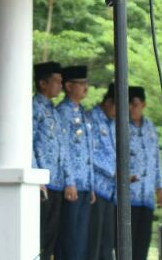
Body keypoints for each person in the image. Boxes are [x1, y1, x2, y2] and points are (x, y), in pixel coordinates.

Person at [57, 65, 94, 260]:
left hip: (85, 184)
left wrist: (92, 184)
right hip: (71, 186)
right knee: (70, 239)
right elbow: (64, 149)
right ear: (69, 86)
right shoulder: (63, 112)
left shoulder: (83, 113)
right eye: (81, 84)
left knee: (81, 239)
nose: (86, 88)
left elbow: (87, 151)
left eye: (86, 83)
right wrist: (70, 180)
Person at [33, 61, 66, 258]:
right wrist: (37, 177)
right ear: (43, 83)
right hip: (42, 182)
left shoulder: (54, 110)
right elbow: (28, 142)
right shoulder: (34, 107)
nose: (60, 85)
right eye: (56, 81)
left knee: (51, 238)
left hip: (57, 182)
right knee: (39, 234)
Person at [128, 86, 162, 260]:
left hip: (147, 195)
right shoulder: (121, 126)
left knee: (143, 243)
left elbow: (156, 157)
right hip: (129, 196)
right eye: (129, 104)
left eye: (135, 104)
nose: (131, 108)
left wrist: (160, 187)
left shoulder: (150, 126)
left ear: (143, 104)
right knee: (128, 242)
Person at [87, 84, 119, 260]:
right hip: (96, 188)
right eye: (117, 107)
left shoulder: (114, 123)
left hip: (110, 191)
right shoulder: (91, 118)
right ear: (108, 102)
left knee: (108, 240)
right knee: (94, 239)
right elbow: (91, 154)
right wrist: (114, 171)